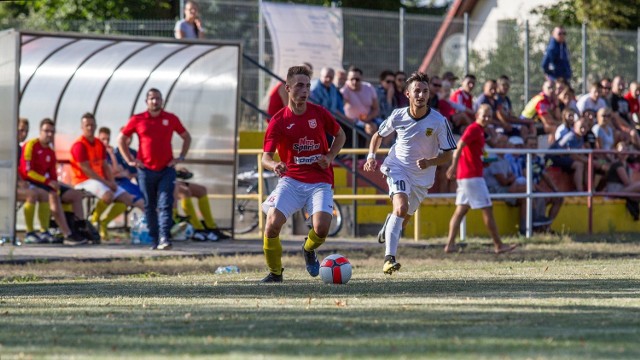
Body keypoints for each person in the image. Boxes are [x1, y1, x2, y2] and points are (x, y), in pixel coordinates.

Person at [259, 65, 346, 283]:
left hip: (320, 181)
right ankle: (275, 273)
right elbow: (265, 157)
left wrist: (330, 156)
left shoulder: (319, 113)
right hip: (292, 180)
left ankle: (308, 249)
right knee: (271, 224)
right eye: (299, 85)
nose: (304, 90)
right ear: (287, 88)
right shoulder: (278, 121)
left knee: (322, 229)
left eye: (307, 86)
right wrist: (274, 166)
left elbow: (340, 135)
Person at [364, 71, 456, 274]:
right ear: (407, 94)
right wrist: (371, 156)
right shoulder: (398, 116)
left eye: (425, 91)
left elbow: (448, 156)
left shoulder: (438, 121)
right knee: (401, 207)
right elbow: (378, 136)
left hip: (422, 178)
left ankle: (389, 226)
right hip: (398, 167)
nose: (421, 95)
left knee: (403, 218)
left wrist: (430, 161)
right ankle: (389, 259)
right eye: (417, 91)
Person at [118, 88, 192, 250]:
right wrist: (130, 160)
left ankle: (165, 237)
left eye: (158, 98)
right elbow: (122, 139)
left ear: (162, 101)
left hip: (166, 169)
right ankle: (154, 238)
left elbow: (186, 136)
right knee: (150, 205)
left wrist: (180, 158)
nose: (155, 101)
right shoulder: (138, 119)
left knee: (166, 202)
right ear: (146, 102)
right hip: (145, 170)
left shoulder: (170, 118)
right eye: (152, 98)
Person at [445, 104, 517, 254]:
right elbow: (459, 145)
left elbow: (470, 152)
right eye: (484, 115)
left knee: (460, 211)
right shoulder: (474, 129)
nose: (486, 118)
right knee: (487, 209)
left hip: (468, 176)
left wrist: (482, 161)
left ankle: (450, 245)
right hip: (472, 177)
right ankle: (498, 244)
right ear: (477, 115)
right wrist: (453, 165)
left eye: (489, 116)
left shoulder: (480, 131)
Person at [19, 118, 87, 246]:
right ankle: (66, 233)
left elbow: (53, 174)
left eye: (52, 131)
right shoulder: (31, 145)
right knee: (51, 195)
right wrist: (48, 182)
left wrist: (55, 184)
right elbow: (28, 172)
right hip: (32, 182)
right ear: (40, 131)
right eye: (46, 131)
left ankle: (80, 229)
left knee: (75, 194)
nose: (49, 134)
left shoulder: (50, 151)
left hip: (46, 183)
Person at [70, 113, 137, 241]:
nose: (89, 128)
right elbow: (86, 169)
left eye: (91, 125)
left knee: (127, 198)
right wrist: (107, 183)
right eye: (87, 125)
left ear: (95, 126)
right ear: (82, 127)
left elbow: (105, 166)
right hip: (83, 180)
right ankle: (93, 220)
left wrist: (111, 181)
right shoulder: (79, 145)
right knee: (108, 195)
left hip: (99, 181)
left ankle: (104, 222)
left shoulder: (98, 144)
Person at [16, 118, 49, 245]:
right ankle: (29, 232)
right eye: (21, 130)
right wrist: (19, 182)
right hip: (5, 185)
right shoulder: (7, 145)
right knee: (31, 194)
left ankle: (44, 231)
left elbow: (16, 168)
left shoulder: (19, 148)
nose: (23, 134)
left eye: (26, 131)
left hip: (15, 184)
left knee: (44, 194)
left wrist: (20, 180)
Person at [97, 127, 145, 210]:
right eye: (103, 139)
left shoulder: (111, 153)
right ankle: (96, 218)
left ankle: (102, 222)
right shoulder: (114, 152)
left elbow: (117, 170)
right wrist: (122, 173)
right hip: (111, 183)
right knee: (135, 199)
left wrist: (112, 155)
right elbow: (114, 172)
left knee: (143, 196)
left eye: (107, 139)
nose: (106, 142)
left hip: (121, 182)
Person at [341, 66, 381, 138]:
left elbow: (376, 108)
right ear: (347, 79)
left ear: (362, 78)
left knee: (389, 128)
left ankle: (381, 148)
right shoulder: (344, 90)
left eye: (357, 79)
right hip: (351, 122)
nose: (354, 82)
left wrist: (369, 117)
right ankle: (369, 149)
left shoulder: (369, 87)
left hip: (369, 119)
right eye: (352, 79)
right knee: (370, 128)